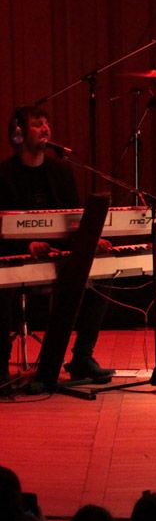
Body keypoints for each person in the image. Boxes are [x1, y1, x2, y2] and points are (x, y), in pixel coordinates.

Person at [1, 105, 114, 385]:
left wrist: (90, 240)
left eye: (47, 124)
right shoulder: (3, 175)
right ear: (18, 134)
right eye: (38, 124)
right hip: (16, 257)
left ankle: (82, 358)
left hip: (59, 254)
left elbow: (73, 220)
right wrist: (28, 244)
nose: (46, 129)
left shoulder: (61, 172)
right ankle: (0, 368)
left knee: (100, 278)